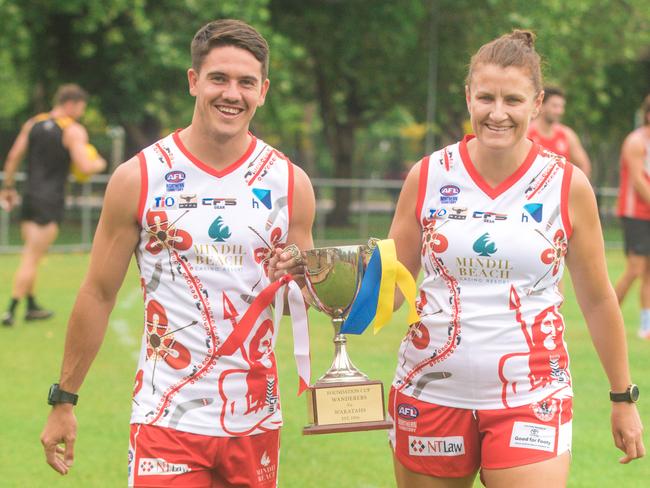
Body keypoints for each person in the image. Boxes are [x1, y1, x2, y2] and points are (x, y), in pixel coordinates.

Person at [40, 19, 315, 487]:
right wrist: (63, 398)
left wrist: (304, 279)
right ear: (194, 81)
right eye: (219, 79)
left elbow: (304, 299)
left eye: (246, 82)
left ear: (263, 90)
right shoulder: (139, 177)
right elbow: (98, 293)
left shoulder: (289, 182)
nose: (232, 93)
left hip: (254, 421)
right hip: (166, 418)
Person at [387, 30, 644, 487]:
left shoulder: (567, 184)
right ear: (468, 97)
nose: (498, 113)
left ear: (537, 103)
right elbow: (391, 287)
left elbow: (599, 299)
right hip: (430, 393)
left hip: (531, 395)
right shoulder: (427, 175)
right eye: (485, 97)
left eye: (513, 99)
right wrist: (330, 286)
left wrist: (623, 397)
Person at [0, 84, 106, 326]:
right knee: (31, 256)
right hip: (50, 201)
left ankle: (31, 305)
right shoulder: (73, 130)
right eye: (81, 108)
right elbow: (86, 167)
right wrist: (100, 161)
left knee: (32, 253)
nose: (80, 113)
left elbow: (13, 156)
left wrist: (7, 187)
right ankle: (11, 309)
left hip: (30, 198)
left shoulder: (33, 123)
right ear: (71, 104)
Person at [614, 94, 650, 338]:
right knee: (635, 269)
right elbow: (638, 180)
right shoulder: (636, 141)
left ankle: (646, 325)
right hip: (635, 212)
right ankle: (607, 315)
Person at [528, 86, 592, 179]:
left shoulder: (567, 135)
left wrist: (575, 189)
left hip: (559, 193)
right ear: (541, 105)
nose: (559, 111)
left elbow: (584, 165)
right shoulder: (527, 133)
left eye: (561, 107)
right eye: (555, 106)